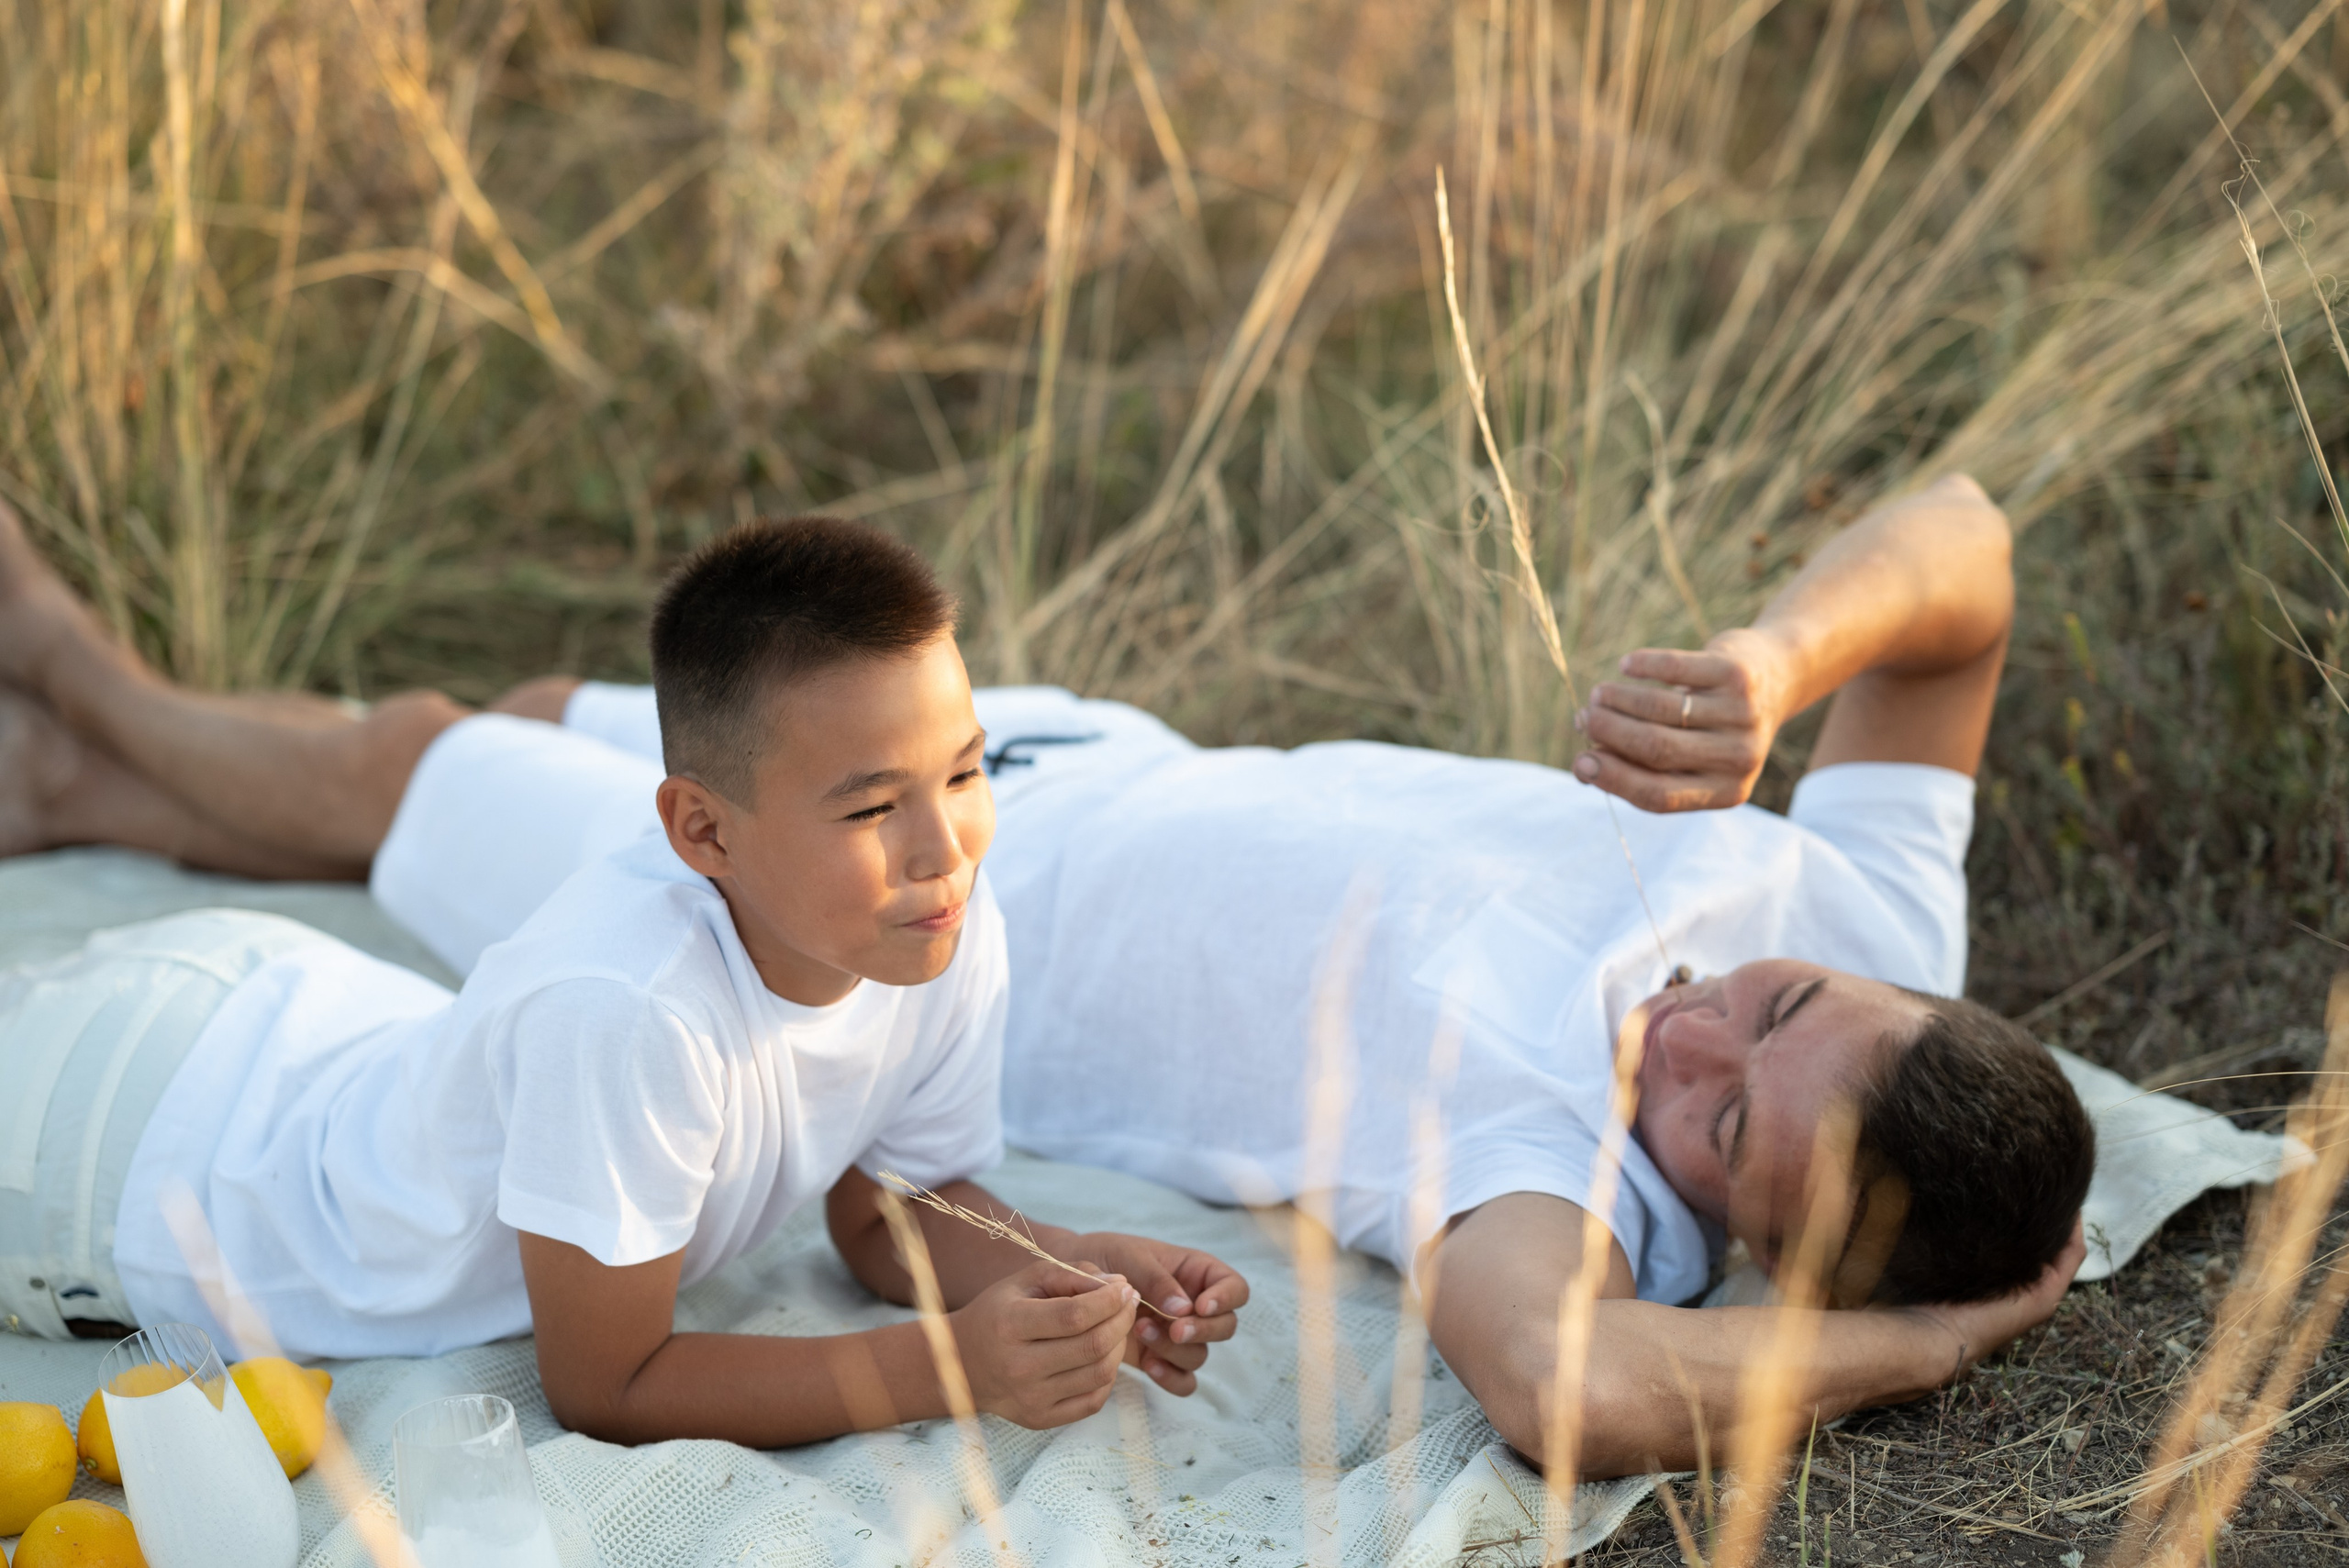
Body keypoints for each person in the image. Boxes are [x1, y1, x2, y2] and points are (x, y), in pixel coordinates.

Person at [1, 475, 2088, 1479]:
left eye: (1721, 1132)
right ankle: (82, 753)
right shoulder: (1872, 913)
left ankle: (78, 692)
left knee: (405, 761)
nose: (1705, 1026)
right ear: (1898, 991)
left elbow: (1566, 1392)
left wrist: (1946, 1341)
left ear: (1732, 1242)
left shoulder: (1546, 1165)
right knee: (538, 704)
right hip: (1028, 767)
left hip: (877, 914)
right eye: (1782, 1010)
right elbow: (1961, 558)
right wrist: (1765, 668)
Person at [0, 511, 1247, 1448]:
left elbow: (890, 1207)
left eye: (965, 774)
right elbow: (607, 1384)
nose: (945, 847)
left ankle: (49, 750)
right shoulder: (633, 1007)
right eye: (873, 804)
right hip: (128, 1169)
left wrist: (1068, 1264)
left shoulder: (935, 925)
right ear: (702, 831)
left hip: (285, 1018)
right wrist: (948, 1368)